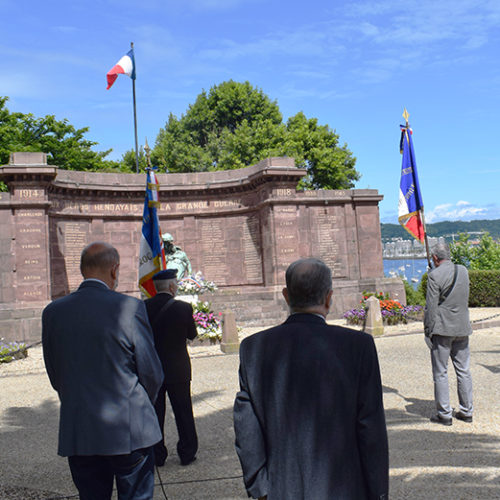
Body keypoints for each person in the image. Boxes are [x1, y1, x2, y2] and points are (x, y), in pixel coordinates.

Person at [233, 258, 389, 500]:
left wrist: (260, 488)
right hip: (345, 488)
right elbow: (370, 427)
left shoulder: (254, 348)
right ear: (329, 298)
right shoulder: (358, 346)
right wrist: (378, 492)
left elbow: (247, 427)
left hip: (280, 488)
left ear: (286, 296)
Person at [42, 242, 163, 500]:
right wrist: (140, 405)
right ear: (114, 269)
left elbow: (55, 374)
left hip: (80, 429)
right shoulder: (130, 308)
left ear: (82, 270)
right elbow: (152, 372)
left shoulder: (53, 312)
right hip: (129, 429)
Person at [145, 269, 198, 467]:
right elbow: (191, 335)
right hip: (178, 368)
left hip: (153, 369)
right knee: (183, 412)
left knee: (156, 413)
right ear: (171, 286)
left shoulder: (144, 307)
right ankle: (187, 452)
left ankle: (157, 454)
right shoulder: (183, 308)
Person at [424, 241, 473, 426]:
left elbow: (431, 307)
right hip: (462, 326)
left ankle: (444, 414)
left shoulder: (434, 276)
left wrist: (428, 331)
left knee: (441, 372)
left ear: (435, 258)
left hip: (443, 328)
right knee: (463, 370)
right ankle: (467, 410)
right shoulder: (463, 270)